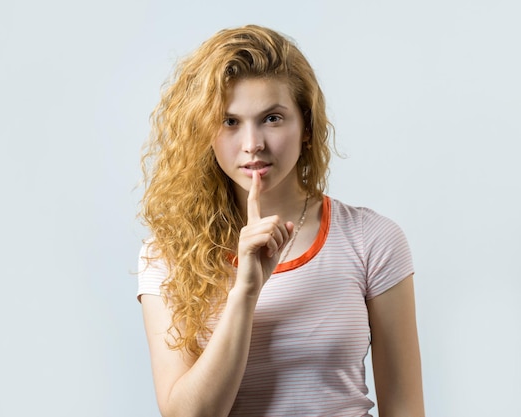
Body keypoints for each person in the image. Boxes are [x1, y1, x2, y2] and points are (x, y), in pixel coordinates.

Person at [137, 24, 424, 417]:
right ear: (204, 132)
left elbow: (406, 408)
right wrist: (245, 292)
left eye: (272, 118)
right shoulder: (166, 255)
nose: (252, 143)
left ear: (306, 127)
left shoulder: (372, 239)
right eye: (230, 121)